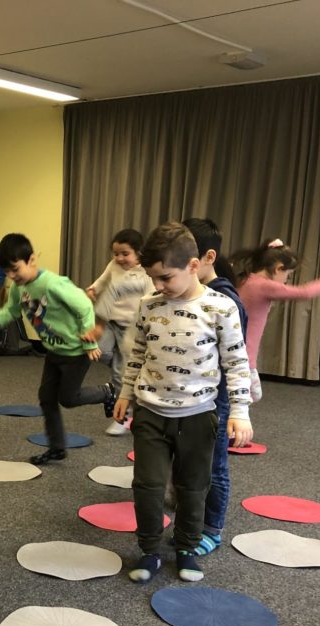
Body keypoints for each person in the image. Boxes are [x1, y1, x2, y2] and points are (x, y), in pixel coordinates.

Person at [113, 221, 253, 584]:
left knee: (193, 488)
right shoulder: (149, 306)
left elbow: (237, 363)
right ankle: (149, 550)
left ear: (193, 265)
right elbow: (138, 353)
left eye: (166, 277)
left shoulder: (221, 307)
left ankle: (187, 548)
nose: (159, 286)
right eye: (153, 278)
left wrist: (240, 411)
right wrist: (126, 393)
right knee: (148, 485)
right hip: (151, 412)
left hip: (198, 415)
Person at [0, 233, 114, 466]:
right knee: (46, 398)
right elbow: (12, 309)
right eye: (7, 272)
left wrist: (89, 342)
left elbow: (84, 306)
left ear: (32, 259)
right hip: (54, 351)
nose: (11, 276)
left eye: (15, 269)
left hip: (76, 352)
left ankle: (107, 392)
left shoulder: (52, 284)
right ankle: (56, 448)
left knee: (69, 398)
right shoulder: (18, 288)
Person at [182, 217, 248, 556]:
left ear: (208, 257)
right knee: (191, 462)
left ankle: (212, 529)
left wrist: (238, 410)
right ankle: (192, 519)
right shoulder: (185, 293)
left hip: (215, 401)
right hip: (190, 397)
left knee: (214, 466)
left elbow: (235, 360)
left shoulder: (224, 300)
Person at [234, 238, 320, 402]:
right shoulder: (264, 285)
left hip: (236, 354)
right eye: (287, 275)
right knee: (246, 397)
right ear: (278, 268)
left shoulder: (247, 280)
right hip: (243, 358)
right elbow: (303, 293)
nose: (285, 280)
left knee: (243, 397)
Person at [84, 228, 153, 436]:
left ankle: (123, 417)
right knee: (100, 352)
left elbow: (151, 297)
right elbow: (102, 280)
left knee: (120, 374)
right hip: (110, 322)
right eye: (116, 253)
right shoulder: (114, 265)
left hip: (131, 327)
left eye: (125, 254)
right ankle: (120, 364)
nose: (120, 258)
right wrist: (92, 290)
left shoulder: (146, 272)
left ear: (138, 252)